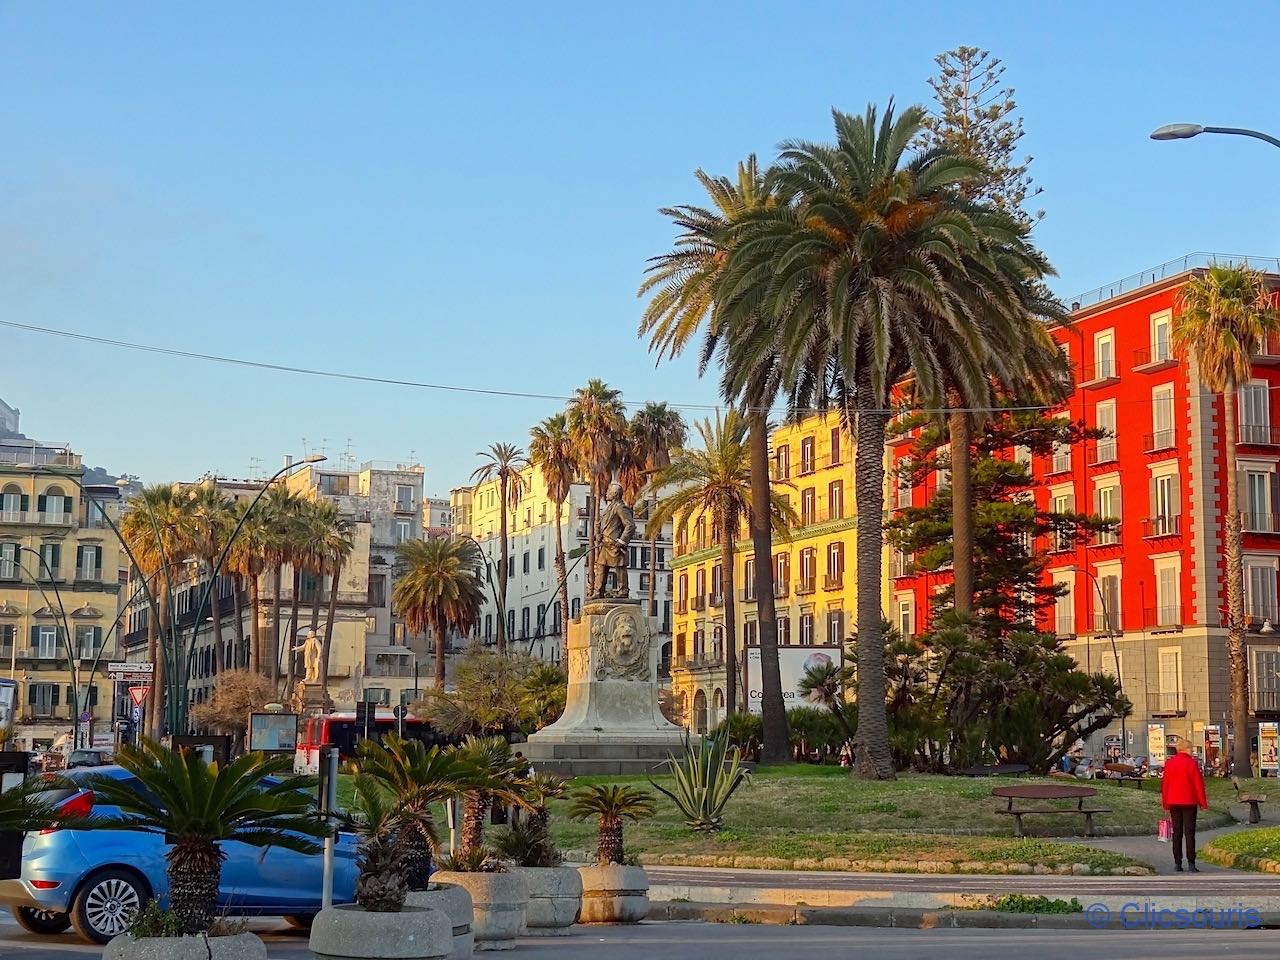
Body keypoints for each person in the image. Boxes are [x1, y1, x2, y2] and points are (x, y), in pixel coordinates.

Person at [1161, 737, 1208, 872]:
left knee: (1177, 832)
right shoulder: (1191, 764)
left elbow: (1165, 785)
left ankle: (1177, 862)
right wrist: (1203, 803)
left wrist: (1165, 804)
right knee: (1189, 832)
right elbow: (1198, 785)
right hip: (1189, 801)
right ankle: (1191, 862)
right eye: (1191, 749)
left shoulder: (1170, 763)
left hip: (1173, 801)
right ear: (1187, 749)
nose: (1192, 751)